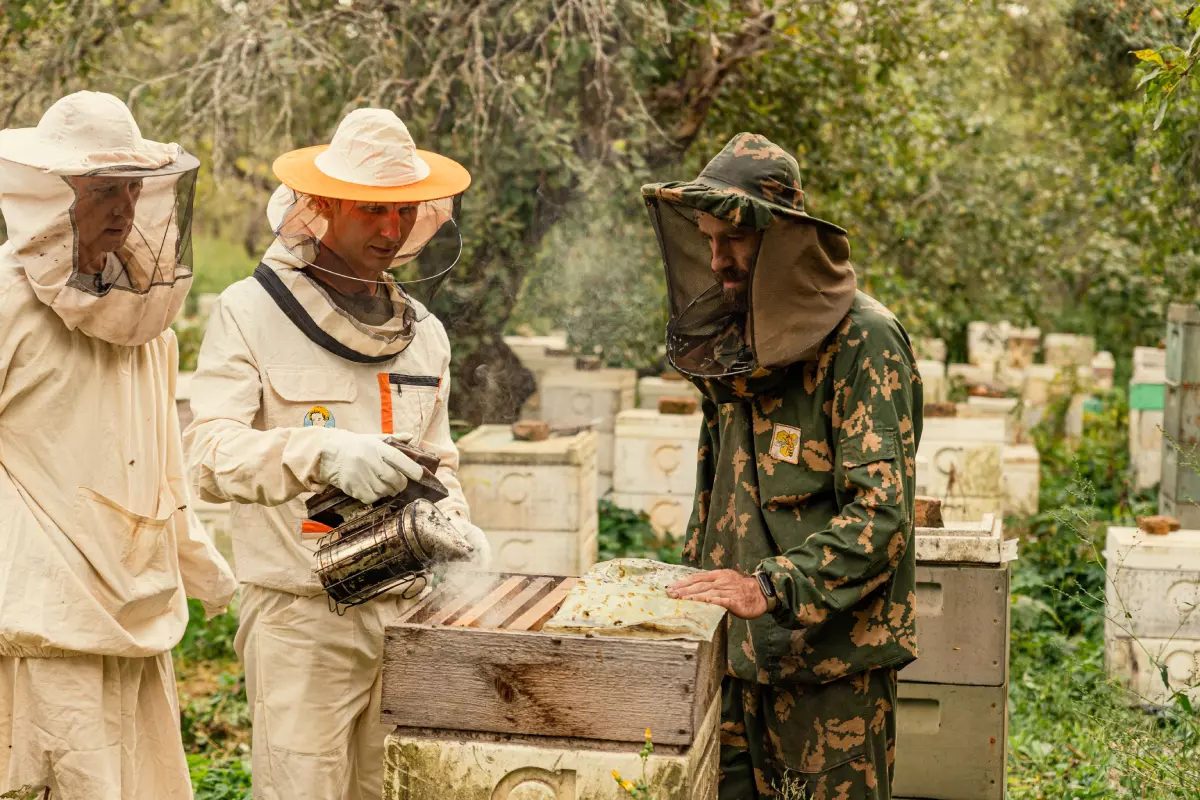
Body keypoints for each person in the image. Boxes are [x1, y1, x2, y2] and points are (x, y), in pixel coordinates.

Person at [184, 108, 491, 800]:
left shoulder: (427, 335)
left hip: (407, 615)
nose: (392, 230)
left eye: (405, 211)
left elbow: (442, 463)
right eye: (371, 210)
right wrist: (319, 452)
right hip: (301, 620)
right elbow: (207, 453)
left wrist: (459, 529)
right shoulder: (248, 312)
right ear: (321, 206)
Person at [642, 132, 923, 799]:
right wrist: (684, 588)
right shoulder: (734, 337)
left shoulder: (864, 340)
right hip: (737, 666)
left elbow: (881, 517)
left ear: (782, 238)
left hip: (830, 678)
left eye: (731, 242)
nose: (716, 261)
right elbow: (715, 491)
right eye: (707, 241)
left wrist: (769, 588)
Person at [0, 91, 237, 799]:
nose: (124, 210)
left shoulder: (145, 316)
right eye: (103, 190)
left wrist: (205, 571)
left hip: (141, 605)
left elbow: (162, 462)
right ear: (50, 193)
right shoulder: (6, 304)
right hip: (46, 626)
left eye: (132, 189)